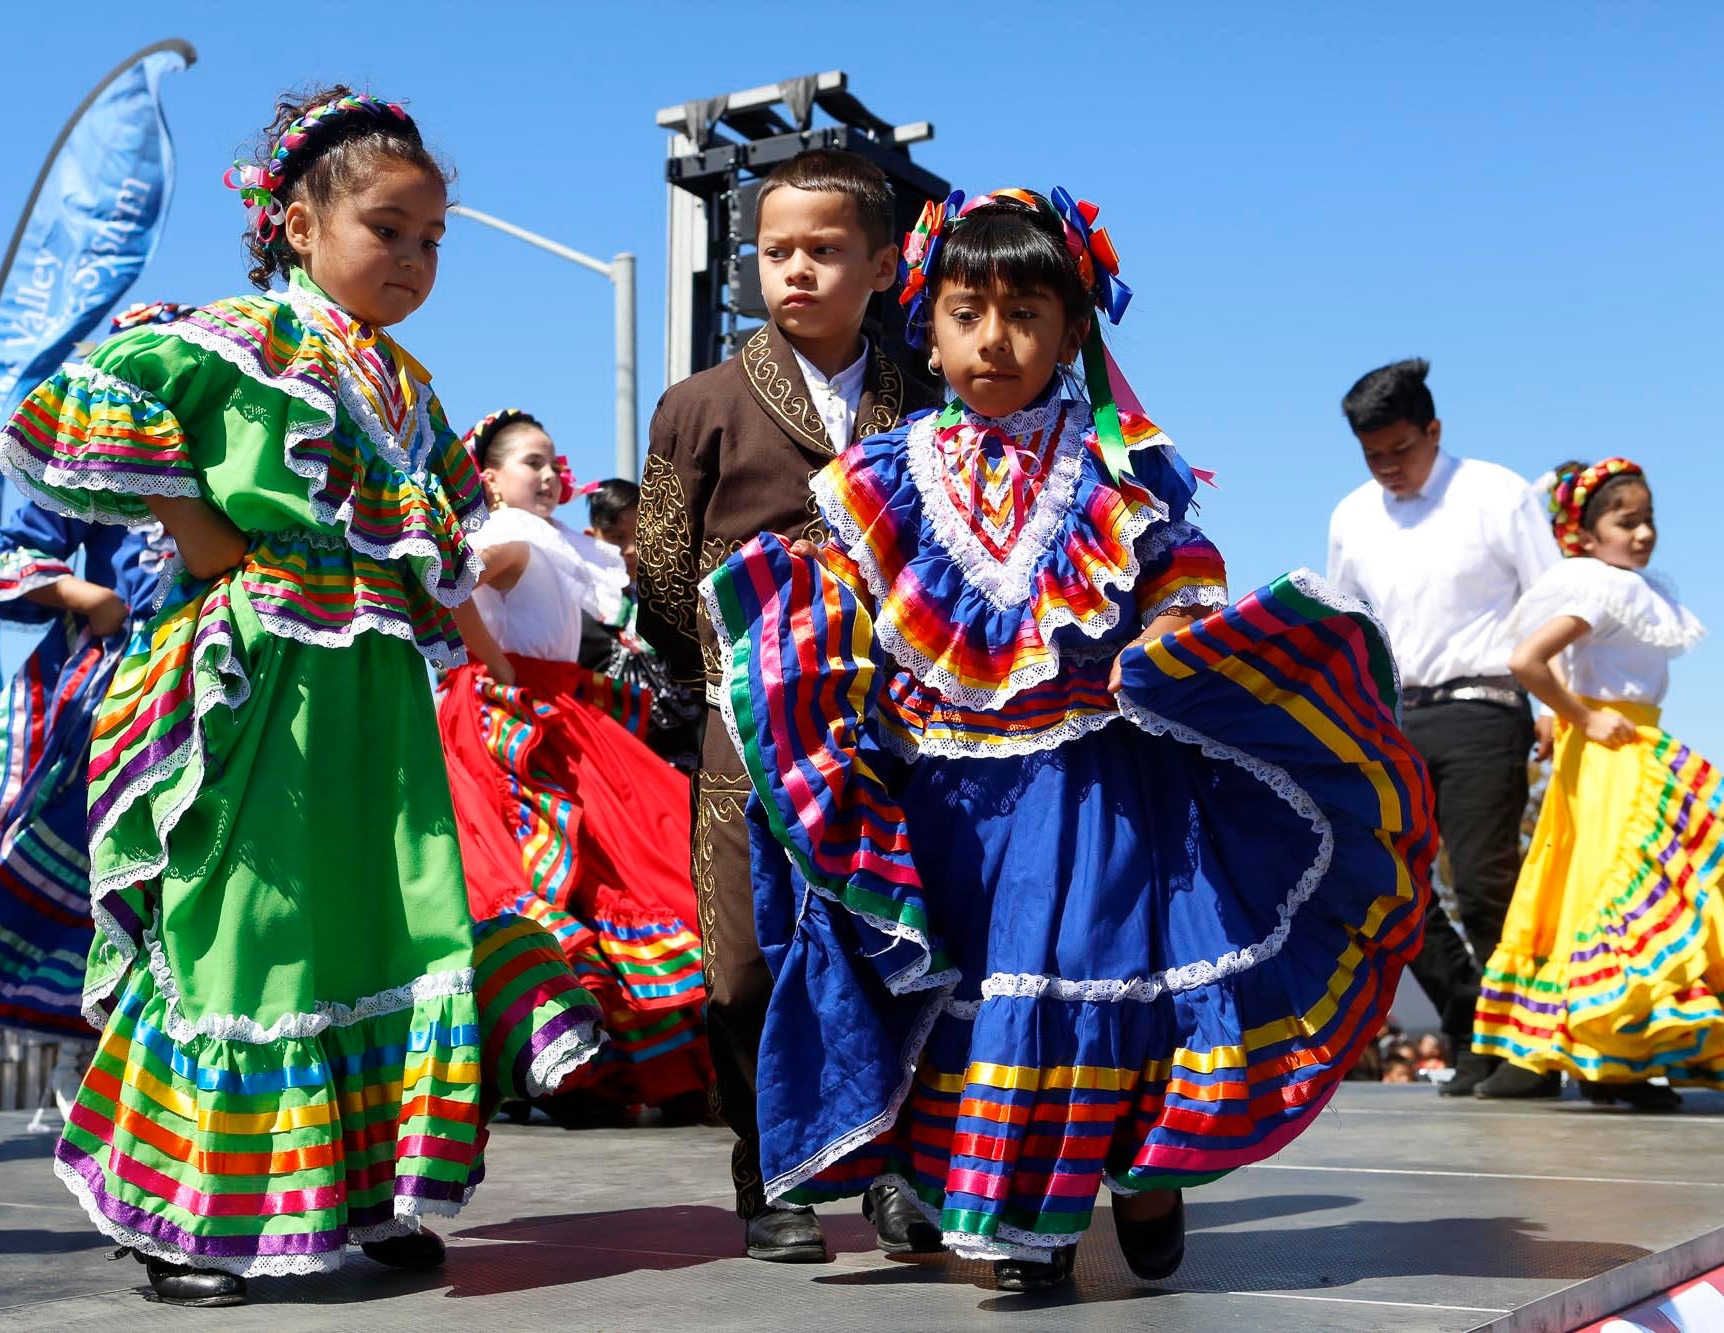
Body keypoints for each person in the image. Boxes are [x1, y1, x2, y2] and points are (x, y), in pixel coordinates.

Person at [705, 186, 1437, 1292]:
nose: (993, 338)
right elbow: (850, 598)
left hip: (1095, 780)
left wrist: (1173, 627)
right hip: (946, 792)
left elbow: (1178, 566)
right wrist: (792, 650)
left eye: (1024, 313)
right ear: (928, 321)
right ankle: (1021, 1223)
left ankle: (1142, 1172)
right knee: (977, 993)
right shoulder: (879, 474)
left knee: (1087, 976)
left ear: (1070, 328)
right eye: (966, 311)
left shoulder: (1115, 463)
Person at [0, 88, 604, 1307]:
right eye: (388, 229)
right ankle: (187, 1212)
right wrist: (193, 522)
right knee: (251, 926)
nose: (415, 259)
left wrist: (463, 645)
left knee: (391, 912)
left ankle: (359, 1186)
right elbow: (90, 390)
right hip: (257, 669)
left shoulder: (408, 386)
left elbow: (433, 538)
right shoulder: (237, 335)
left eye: (433, 240)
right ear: (295, 223)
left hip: (371, 680)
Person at [637, 147, 930, 1262]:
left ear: (883, 264)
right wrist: (726, 658)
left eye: (823, 250)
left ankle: (894, 1172)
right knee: (745, 960)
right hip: (748, 725)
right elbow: (660, 566)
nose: (794, 271)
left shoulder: (925, 393)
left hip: (889, 727)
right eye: (774, 251)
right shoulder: (700, 405)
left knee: (889, 939)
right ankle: (767, 1180)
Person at [0, 302, 186, 1039]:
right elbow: (16, 561)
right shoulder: (90, 459)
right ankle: (105, 1035)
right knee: (115, 849)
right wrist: (89, 596)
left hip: (234, 674)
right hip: (138, 677)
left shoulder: (231, 456)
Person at [437, 411, 710, 1120]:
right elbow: (455, 586)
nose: (551, 473)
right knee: (555, 870)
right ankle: (550, 1052)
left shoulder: (550, 539)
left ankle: (592, 1059)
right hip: (510, 718)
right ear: (490, 480)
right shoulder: (506, 533)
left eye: (555, 461)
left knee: (611, 862)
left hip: (558, 707)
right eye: (533, 462)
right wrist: (495, 670)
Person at [1327, 358, 1561, 1095]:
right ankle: (1471, 1023)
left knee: (1489, 882)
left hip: (1486, 707)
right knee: (1390, 886)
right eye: (1373, 455)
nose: (1388, 467)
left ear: (1434, 429)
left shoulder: (1496, 492)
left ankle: (1527, 1050)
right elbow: (1347, 626)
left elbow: (1551, 594)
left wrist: (1556, 704)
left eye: (1401, 449)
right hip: (1395, 719)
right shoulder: (1353, 515)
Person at [1472, 458, 1717, 1107]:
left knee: (1596, 893)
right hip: (1614, 751)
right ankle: (1608, 1057)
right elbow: (1525, 659)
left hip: (1616, 748)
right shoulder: (1604, 587)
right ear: (1584, 533)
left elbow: (1556, 662)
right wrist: (1581, 714)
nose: (1641, 534)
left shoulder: (1622, 585)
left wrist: (1563, 714)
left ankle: (1609, 1058)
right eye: (1625, 521)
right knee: (1622, 888)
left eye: (1647, 520)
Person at [579, 477, 700, 773]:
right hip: (605, 762)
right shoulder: (575, 608)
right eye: (616, 537)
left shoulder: (670, 606)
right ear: (588, 536)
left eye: (639, 537)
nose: (631, 549)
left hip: (677, 763)